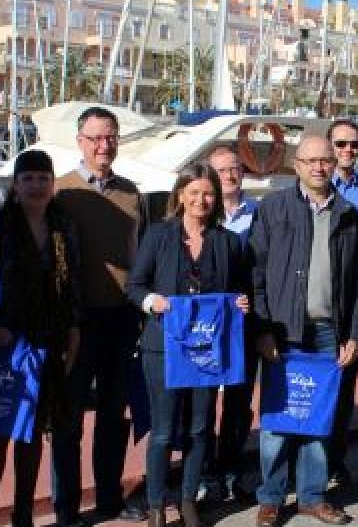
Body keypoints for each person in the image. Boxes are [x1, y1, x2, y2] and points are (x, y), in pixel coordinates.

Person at [249, 135, 358, 527]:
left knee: (320, 418)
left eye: (325, 160)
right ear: (296, 165)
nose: (319, 167)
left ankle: (312, 496)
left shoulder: (349, 214)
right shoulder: (273, 208)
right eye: (310, 161)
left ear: (334, 165)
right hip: (283, 332)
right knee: (278, 420)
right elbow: (256, 274)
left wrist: (354, 334)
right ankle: (270, 497)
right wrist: (264, 328)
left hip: (327, 332)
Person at [129, 163, 253, 527]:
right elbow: (134, 285)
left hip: (206, 350)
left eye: (208, 193)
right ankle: (155, 505)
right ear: (181, 195)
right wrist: (154, 301)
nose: (201, 200)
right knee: (165, 430)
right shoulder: (157, 235)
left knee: (201, 428)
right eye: (194, 192)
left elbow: (239, 289)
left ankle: (187, 500)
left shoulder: (228, 241)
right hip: (163, 347)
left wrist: (242, 303)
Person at [0, 150, 83, 527]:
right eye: (29, 178)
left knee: (32, 434)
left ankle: (23, 516)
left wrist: (73, 329)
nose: (36, 185)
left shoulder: (62, 227)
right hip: (3, 340)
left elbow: (72, 286)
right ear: (15, 185)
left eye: (43, 178)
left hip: (47, 342)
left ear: (52, 184)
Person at [52, 106, 149, 525]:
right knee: (68, 417)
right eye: (94, 138)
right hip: (77, 319)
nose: (103, 145)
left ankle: (109, 498)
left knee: (113, 414)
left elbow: (141, 257)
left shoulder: (132, 194)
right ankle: (67, 507)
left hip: (121, 318)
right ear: (80, 142)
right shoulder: (61, 192)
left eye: (110, 137)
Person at [202, 144, 260, 504]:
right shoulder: (200, 214)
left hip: (246, 321)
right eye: (222, 170)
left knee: (239, 403)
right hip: (207, 325)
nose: (229, 175)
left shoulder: (260, 214)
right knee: (203, 403)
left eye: (235, 168)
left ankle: (232, 470)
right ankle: (206, 474)